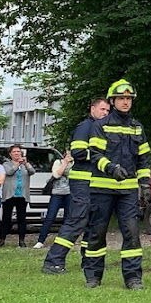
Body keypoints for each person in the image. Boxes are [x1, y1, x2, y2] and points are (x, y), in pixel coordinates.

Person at [81, 79, 151, 289]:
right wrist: (111, 168)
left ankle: (133, 278)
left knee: (132, 233)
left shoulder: (137, 127)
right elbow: (95, 155)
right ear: (113, 101)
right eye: (121, 98)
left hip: (128, 191)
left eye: (128, 99)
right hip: (102, 189)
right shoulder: (100, 126)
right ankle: (93, 277)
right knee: (97, 232)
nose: (125, 102)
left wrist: (146, 184)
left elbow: (144, 158)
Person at [42, 96, 110, 275]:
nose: (105, 113)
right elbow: (78, 152)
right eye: (102, 109)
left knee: (93, 222)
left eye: (108, 111)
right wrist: (102, 157)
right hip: (82, 180)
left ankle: (88, 260)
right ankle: (53, 261)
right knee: (77, 220)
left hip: (95, 181)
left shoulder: (100, 128)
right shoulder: (85, 127)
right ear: (92, 109)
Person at [34, 151, 73, 249]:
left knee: (68, 218)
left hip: (70, 194)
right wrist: (65, 163)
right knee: (50, 217)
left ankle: (64, 240)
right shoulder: (58, 162)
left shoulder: (76, 164)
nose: (69, 156)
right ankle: (41, 241)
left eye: (71, 154)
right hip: (57, 194)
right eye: (67, 154)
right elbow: (56, 175)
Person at [0, 145, 33, 247]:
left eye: (18, 151)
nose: (17, 153)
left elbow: (32, 172)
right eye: (14, 152)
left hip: (22, 195)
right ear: (10, 154)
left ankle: (22, 240)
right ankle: (2, 239)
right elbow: (9, 172)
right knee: (6, 218)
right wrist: (17, 164)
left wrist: (26, 163)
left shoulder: (24, 165)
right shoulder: (6, 164)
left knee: (22, 218)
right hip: (10, 194)